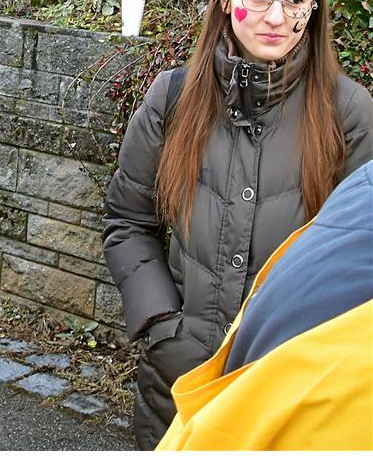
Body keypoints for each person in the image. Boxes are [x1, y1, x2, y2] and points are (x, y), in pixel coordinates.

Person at [101, 0, 373, 450]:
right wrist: (164, 328)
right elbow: (127, 222)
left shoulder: (349, 112)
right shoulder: (173, 98)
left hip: (291, 390)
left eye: (296, 0)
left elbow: (359, 258)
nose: (276, 16)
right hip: (179, 382)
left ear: (314, 10)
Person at [158, 159, 373, 450]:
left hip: (283, 389)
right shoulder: (174, 125)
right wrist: (162, 324)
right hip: (176, 368)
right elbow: (127, 219)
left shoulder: (347, 138)